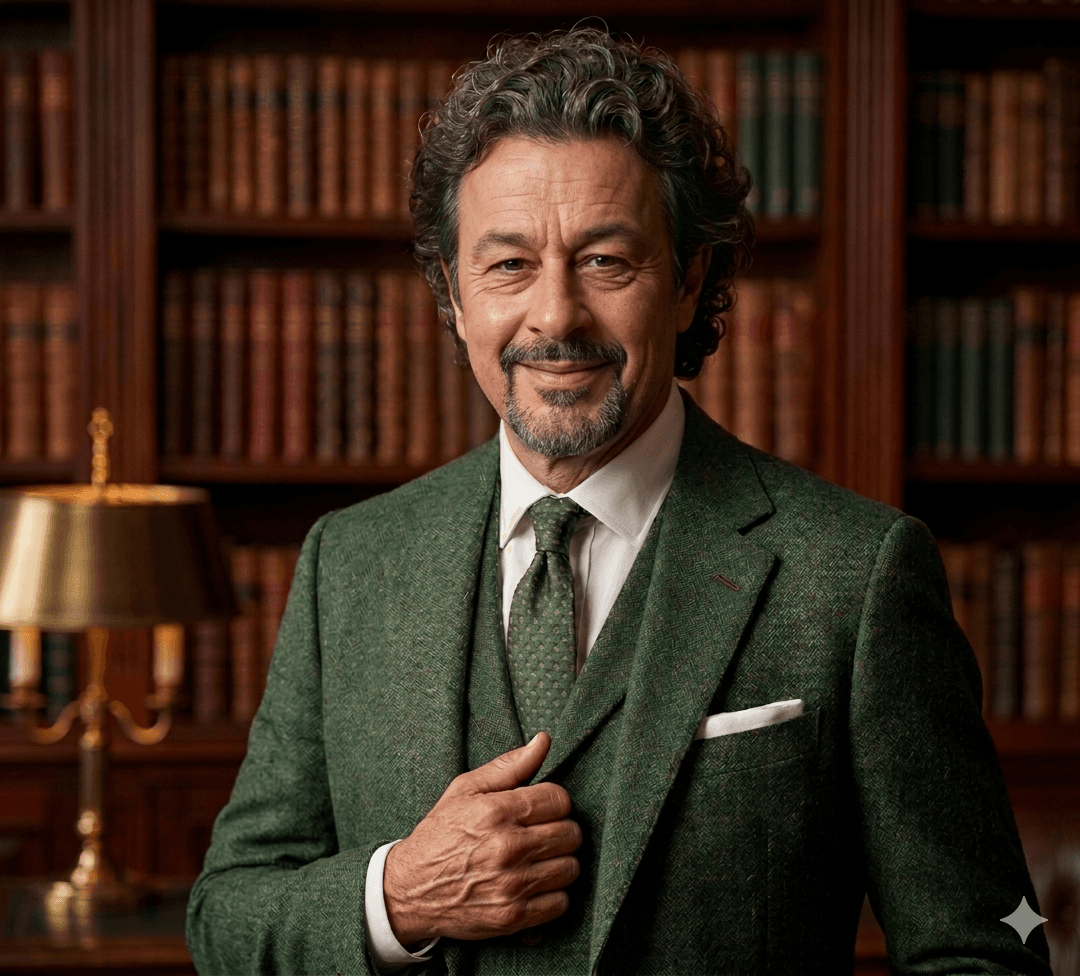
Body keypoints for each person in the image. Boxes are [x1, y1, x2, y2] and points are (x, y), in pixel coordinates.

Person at [186, 27, 1053, 976]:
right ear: (454, 296)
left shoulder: (856, 573)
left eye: (606, 260)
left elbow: (987, 951)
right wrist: (399, 896)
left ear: (686, 282)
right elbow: (226, 918)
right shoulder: (348, 564)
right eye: (508, 264)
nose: (556, 315)